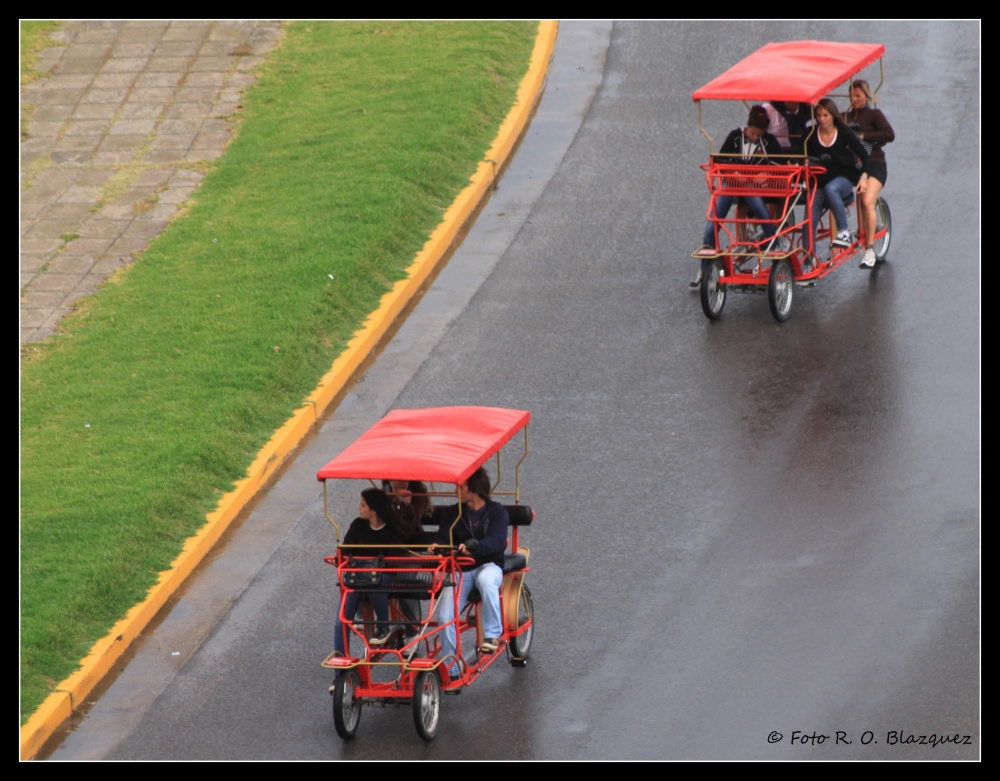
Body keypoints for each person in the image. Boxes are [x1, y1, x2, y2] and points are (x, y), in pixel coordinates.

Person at [691, 105, 785, 289]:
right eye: (753, 134)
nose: (756, 138)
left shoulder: (769, 142)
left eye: (759, 135)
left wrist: (766, 174)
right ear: (747, 127)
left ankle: (774, 248)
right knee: (713, 222)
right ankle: (703, 270)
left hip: (752, 186)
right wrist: (734, 172)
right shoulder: (735, 137)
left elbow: (779, 165)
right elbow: (720, 159)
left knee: (760, 210)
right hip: (732, 183)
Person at [430, 467, 509, 678]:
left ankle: (492, 635)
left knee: (485, 579)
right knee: (446, 617)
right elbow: (442, 537)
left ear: (472, 489)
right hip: (461, 568)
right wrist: (436, 546)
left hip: (488, 564)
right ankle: (451, 668)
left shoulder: (497, 512)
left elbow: (497, 541)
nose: (457, 489)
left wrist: (475, 546)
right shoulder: (453, 512)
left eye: (461, 486)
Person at [333, 488, 404, 656]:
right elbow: (345, 549)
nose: (359, 508)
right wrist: (340, 558)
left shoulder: (392, 531)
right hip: (357, 578)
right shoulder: (358, 525)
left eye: (363, 505)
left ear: (374, 511)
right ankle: (340, 669)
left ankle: (383, 626)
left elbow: (394, 561)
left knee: (373, 580)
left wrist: (371, 567)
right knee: (341, 622)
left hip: (383, 578)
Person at [804, 98, 871, 263]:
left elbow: (865, 155)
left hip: (843, 179)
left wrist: (864, 176)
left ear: (833, 115)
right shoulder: (810, 135)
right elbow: (802, 156)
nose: (822, 119)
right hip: (818, 182)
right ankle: (808, 261)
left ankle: (843, 232)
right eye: (819, 115)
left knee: (831, 189)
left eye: (825, 115)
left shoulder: (844, 133)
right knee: (809, 220)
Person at [844, 79, 894, 268]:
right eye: (852, 96)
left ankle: (870, 249)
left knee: (866, 201)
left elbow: (890, 134)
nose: (854, 99)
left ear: (866, 96)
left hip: (875, 165)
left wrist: (865, 137)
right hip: (853, 166)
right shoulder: (846, 117)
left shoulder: (874, 115)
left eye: (858, 95)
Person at [383, 479, 435, 656]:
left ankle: (412, 632)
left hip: (411, 547)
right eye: (396, 485)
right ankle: (377, 625)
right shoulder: (383, 490)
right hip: (389, 547)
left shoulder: (417, 495)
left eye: (403, 485)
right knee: (364, 575)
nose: (399, 488)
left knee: (403, 581)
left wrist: (405, 505)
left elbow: (411, 528)